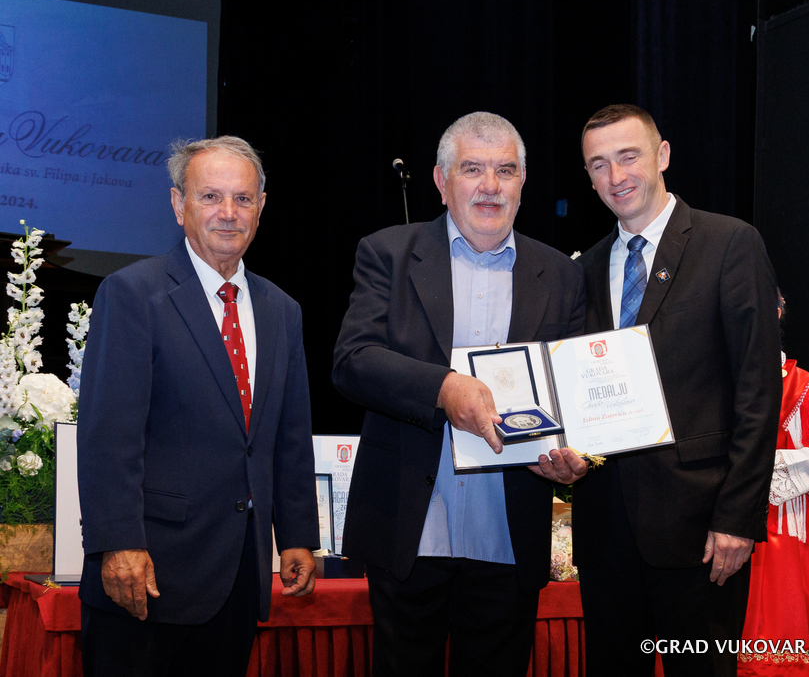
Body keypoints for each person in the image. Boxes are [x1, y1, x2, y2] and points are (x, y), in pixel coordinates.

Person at [333, 111, 588, 677]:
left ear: (523, 181)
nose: (490, 186)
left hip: (508, 535)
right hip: (410, 530)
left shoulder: (561, 274)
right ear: (440, 180)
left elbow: (569, 395)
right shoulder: (388, 253)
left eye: (505, 170)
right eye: (472, 169)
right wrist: (444, 388)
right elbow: (353, 361)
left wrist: (573, 455)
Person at [77, 136, 319, 677]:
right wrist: (117, 544)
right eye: (210, 196)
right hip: (147, 577)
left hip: (239, 578)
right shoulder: (131, 294)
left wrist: (298, 535)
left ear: (261, 207)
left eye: (243, 198)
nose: (228, 213)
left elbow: (288, 434)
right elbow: (108, 437)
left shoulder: (283, 310)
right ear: (177, 204)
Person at [572, 104, 782, 676]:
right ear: (588, 177)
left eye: (629, 156)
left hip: (702, 532)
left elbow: (759, 392)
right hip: (605, 532)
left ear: (662, 155)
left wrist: (738, 517)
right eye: (599, 164)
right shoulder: (582, 270)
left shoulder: (730, 243)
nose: (616, 176)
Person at [737, 294, 809, 675]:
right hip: (725, 522)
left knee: (784, 638)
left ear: (778, 312)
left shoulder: (807, 386)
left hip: (789, 525)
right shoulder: (720, 383)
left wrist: (760, 465)